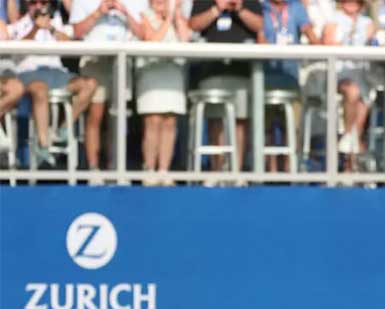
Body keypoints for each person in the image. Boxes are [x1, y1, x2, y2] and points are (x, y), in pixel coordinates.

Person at [9, 0, 98, 166]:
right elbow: (17, 47)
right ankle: (43, 147)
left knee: (89, 84)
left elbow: (70, 45)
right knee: (40, 89)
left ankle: (62, 130)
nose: (38, 6)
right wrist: (35, 28)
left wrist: (50, 28)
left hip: (57, 73)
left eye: (42, 2)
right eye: (33, 2)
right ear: (27, 5)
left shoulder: (56, 22)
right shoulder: (19, 24)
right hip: (29, 74)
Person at [70, 0, 146, 183]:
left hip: (123, 62)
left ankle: (116, 168)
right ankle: (94, 169)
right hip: (94, 61)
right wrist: (98, 12)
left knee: (119, 117)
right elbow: (77, 32)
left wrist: (126, 13)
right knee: (95, 115)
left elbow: (143, 34)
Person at [189, 0, 263, 183]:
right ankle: (217, 171)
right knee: (216, 121)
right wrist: (217, 9)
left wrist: (239, 9)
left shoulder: (250, 2)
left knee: (240, 120)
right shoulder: (203, 2)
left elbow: (260, 25)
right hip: (212, 70)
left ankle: (236, 172)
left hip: (241, 70)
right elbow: (194, 25)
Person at [134, 0, 190, 187]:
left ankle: (164, 170)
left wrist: (176, 18)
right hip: (151, 75)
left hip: (172, 75)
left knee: (169, 122)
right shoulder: (143, 16)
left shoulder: (176, 18)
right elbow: (152, 40)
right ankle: (149, 169)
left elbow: (185, 39)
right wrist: (168, 21)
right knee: (153, 122)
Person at [261, 0, 317, 173]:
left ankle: (289, 169)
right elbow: (259, 37)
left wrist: (323, 45)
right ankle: (269, 170)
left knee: (293, 126)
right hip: (264, 78)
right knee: (265, 127)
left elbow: (311, 35)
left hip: (291, 78)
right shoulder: (261, 7)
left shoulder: (296, 7)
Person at [322, 0, 374, 172]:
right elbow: (327, 44)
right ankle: (349, 139)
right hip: (338, 75)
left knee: (363, 98)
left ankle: (349, 165)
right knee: (353, 91)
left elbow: (372, 43)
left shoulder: (367, 23)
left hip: (363, 76)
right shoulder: (333, 20)